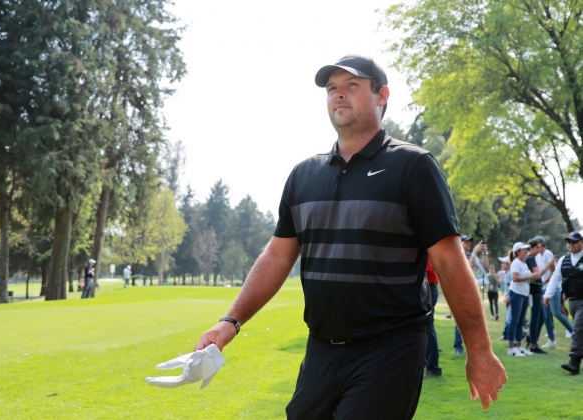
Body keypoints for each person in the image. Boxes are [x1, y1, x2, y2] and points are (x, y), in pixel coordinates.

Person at [193, 54, 506, 418]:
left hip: (390, 348)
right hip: (321, 350)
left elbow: (450, 262)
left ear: (381, 95)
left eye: (351, 86)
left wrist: (479, 350)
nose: (338, 95)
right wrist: (229, 322)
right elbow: (277, 256)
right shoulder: (303, 175)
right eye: (331, 89)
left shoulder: (414, 166)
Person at [544, 231, 583, 374]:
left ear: (581, 243)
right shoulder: (564, 260)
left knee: (577, 329)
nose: (570, 245)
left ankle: (574, 362)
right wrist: (548, 294)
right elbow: (555, 277)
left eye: (574, 242)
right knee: (580, 331)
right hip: (572, 302)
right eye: (569, 242)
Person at [453, 235, 489, 356]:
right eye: (466, 242)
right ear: (460, 243)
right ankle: (458, 346)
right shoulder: (457, 255)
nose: (469, 244)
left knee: (473, 319)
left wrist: (484, 254)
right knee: (461, 318)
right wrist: (474, 252)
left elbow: (485, 268)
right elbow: (469, 268)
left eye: (470, 242)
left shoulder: (471, 256)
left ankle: (472, 347)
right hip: (461, 291)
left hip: (473, 291)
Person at [525, 240, 554, 354]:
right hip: (534, 291)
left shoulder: (531, 258)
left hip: (538, 291)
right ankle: (533, 344)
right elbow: (537, 275)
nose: (539, 249)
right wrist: (549, 264)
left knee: (542, 317)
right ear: (531, 248)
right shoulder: (530, 259)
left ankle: (533, 339)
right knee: (536, 317)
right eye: (537, 247)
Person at [424, 258, 442, 378]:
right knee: (427, 329)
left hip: (428, 288)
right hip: (429, 288)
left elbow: (424, 272)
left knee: (427, 329)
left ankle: (433, 368)